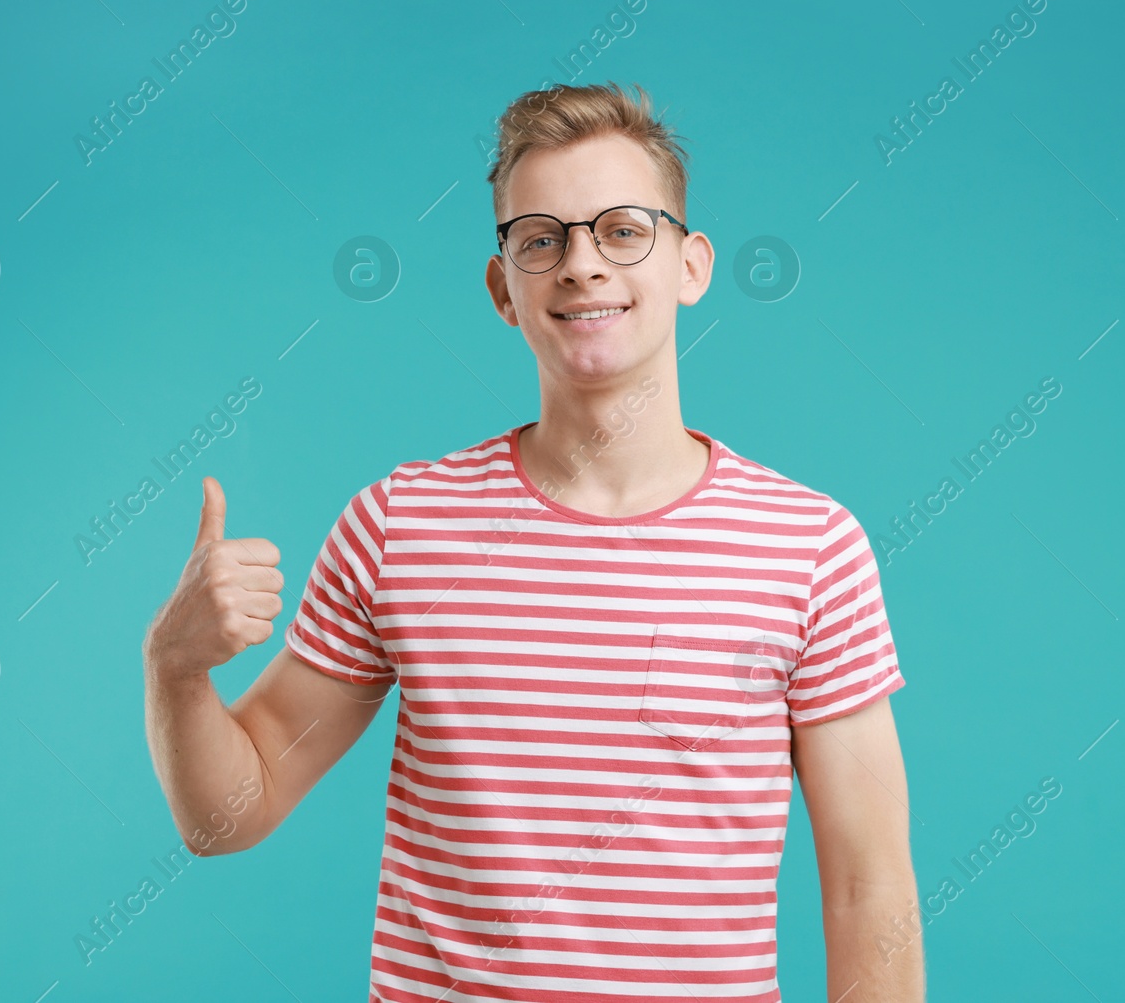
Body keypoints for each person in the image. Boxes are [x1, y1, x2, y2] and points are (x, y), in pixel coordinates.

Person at [143, 81, 923, 1002]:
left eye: (624, 228)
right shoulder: (400, 525)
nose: (582, 264)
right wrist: (176, 667)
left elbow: (871, 887)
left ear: (691, 264)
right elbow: (230, 815)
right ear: (502, 285)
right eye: (541, 237)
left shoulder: (810, 545)